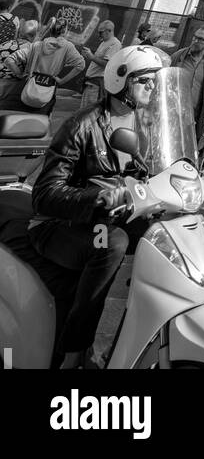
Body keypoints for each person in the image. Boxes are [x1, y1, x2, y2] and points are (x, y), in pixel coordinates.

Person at [27, 43, 163, 368]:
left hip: (100, 220)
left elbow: (145, 173)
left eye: (155, 81)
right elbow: (44, 194)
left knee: (162, 234)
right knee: (111, 244)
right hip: (60, 223)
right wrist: (97, 196)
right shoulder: (82, 125)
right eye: (145, 80)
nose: (152, 87)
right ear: (121, 80)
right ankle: (74, 354)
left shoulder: (141, 126)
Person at [1, 15, 84, 112]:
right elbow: (81, 65)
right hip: (47, 91)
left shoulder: (36, 45)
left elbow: (9, 60)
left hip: (27, 87)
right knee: (40, 122)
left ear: (50, 30)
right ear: (65, 31)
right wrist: (62, 81)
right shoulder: (68, 47)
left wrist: (20, 74)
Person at [170, 26, 204, 150]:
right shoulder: (178, 56)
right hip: (174, 113)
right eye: (195, 37)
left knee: (189, 150)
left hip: (196, 118)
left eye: (201, 39)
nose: (195, 41)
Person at [80, 20, 121, 109]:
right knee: (83, 113)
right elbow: (98, 61)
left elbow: (108, 64)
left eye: (101, 32)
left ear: (109, 31)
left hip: (96, 84)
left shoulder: (115, 44)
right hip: (91, 83)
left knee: (87, 114)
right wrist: (89, 56)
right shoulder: (104, 42)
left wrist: (92, 57)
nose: (99, 34)